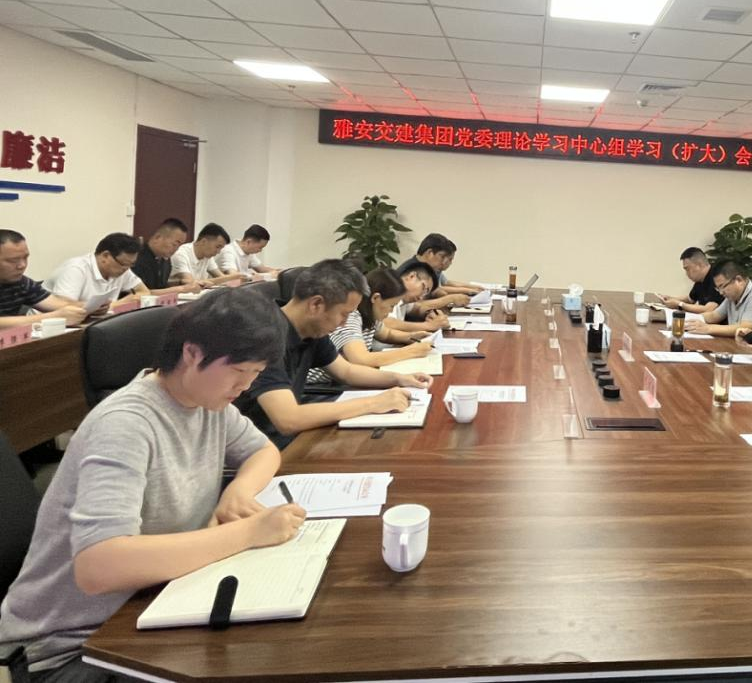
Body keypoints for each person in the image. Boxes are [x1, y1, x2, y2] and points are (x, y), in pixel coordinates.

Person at [0, 289, 305, 683]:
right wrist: (248, 533)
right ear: (192, 353)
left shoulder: (208, 403)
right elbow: (100, 567)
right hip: (74, 648)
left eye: (256, 374)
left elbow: (263, 452)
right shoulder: (126, 424)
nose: (245, 386)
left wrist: (239, 492)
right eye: (240, 371)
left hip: (154, 601)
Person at [235, 259, 431, 447]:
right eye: (344, 314)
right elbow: (288, 419)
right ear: (316, 304)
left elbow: (346, 371)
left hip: (293, 438)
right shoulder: (265, 336)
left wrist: (399, 378)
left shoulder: (311, 330)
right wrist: (374, 403)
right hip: (264, 448)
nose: (344, 323)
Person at [307, 264, 436, 384]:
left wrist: (412, 337)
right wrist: (411, 351)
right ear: (375, 298)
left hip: (341, 381)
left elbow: (386, 334)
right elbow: (361, 359)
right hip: (321, 389)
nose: (391, 311)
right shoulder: (351, 316)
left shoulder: (370, 315)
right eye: (391, 306)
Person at [0, 229, 87, 327]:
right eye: (13, 260)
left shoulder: (21, 282)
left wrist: (90, 307)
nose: (22, 265)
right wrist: (52, 317)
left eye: (25, 257)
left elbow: (59, 305)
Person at [42, 233, 149, 312]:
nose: (126, 269)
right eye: (123, 264)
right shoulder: (76, 269)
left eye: (131, 264)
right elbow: (62, 306)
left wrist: (112, 305)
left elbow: (144, 292)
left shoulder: (122, 269)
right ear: (105, 256)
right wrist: (120, 303)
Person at [686, 261, 752, 340]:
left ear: (739, 280)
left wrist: (708, 328)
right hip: (744, 346)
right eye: (718, 288)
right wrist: (685, 320)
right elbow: (714, 316)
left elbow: (745, 328)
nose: (721, 292)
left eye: (723, 286)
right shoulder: (733, 297)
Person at [392, 234, 476, 316]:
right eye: (442, 257)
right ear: (429, 252)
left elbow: (437, 291)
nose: (444, 262)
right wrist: (450, 299)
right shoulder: (411, 270)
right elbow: (415, 306)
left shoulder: (428, 269)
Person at [131, 218, 202, 295]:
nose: (176, 249)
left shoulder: (165, 259)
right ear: (158, 237)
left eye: (179, 245)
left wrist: (181, 282)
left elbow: (161, 286)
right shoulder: (136, 258)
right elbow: (141, 293)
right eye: (174, 244)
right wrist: (181, 289)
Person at [170, 223, 239, 288]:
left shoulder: (207, 256)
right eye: (217, 247)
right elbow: (191, 283)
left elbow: (222, 278)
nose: (218, 252)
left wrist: (234, 277)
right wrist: (233, 277)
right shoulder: (180, 254)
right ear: (204, 241)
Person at [660, 247, 723, 316]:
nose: (686, 274)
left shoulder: (717, 277)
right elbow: (690, 299)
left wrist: (679, 304)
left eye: (687, 269)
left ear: (699, 265)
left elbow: (709, 309)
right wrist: (670, 299)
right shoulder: (700, 279)